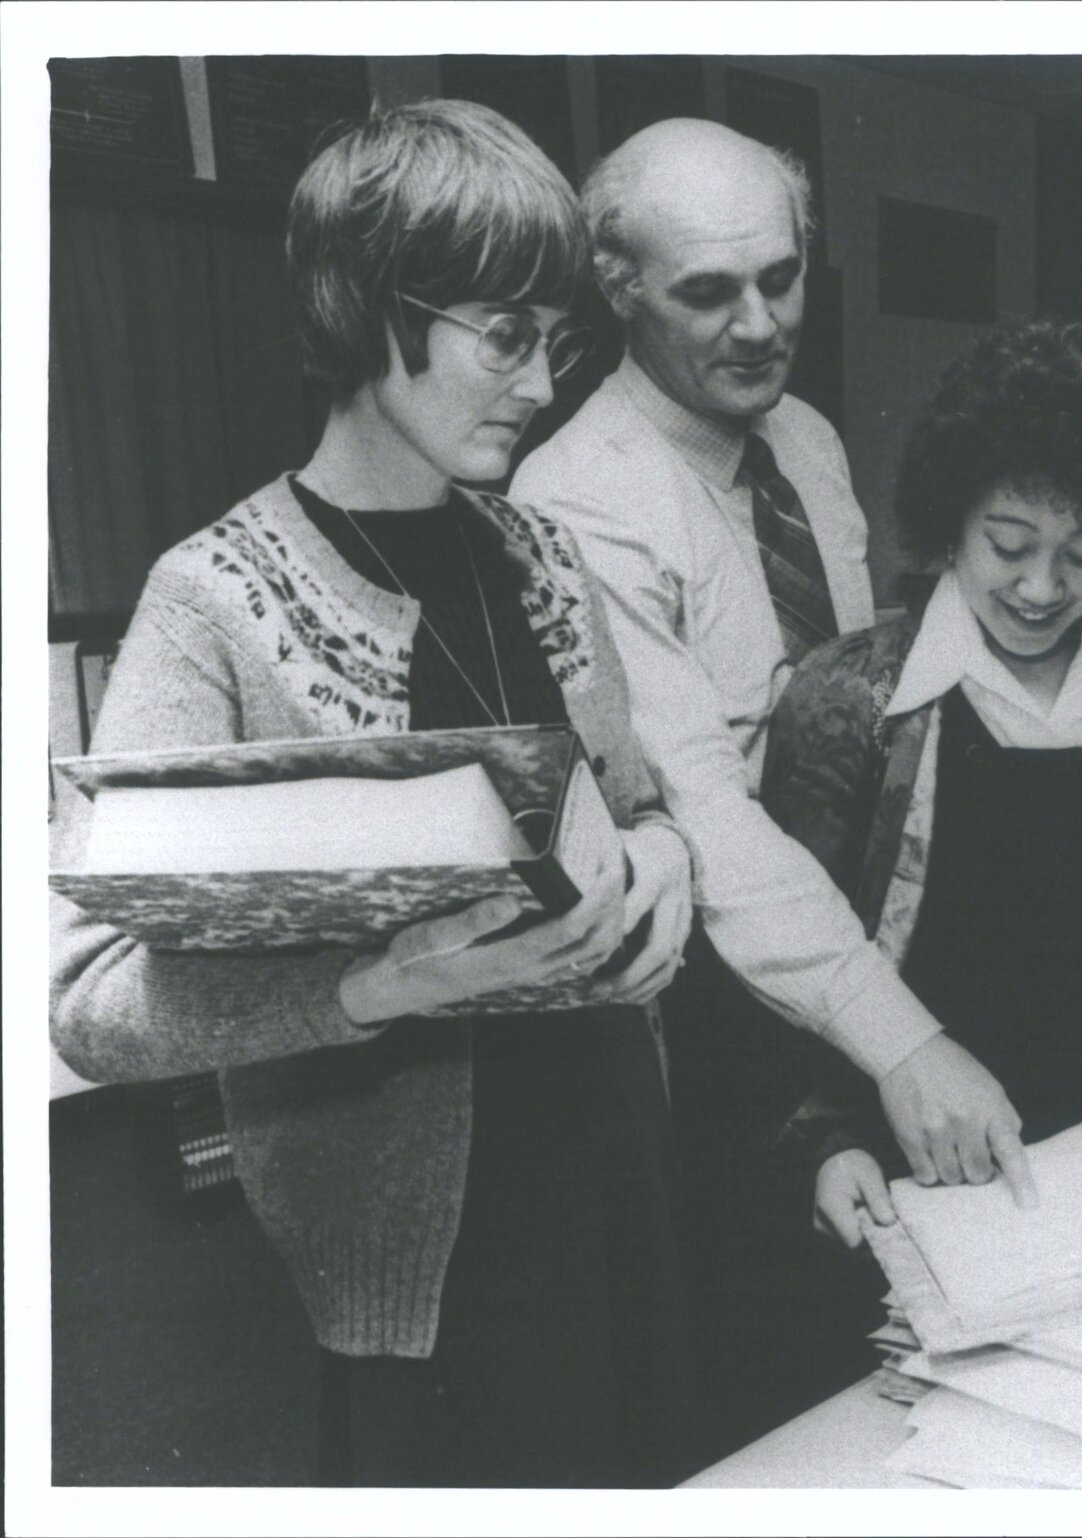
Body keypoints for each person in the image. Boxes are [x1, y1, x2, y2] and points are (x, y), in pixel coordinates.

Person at [49, 101, 697, 1488]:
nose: (540, 380)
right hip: (425, 1265)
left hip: (614, 1173)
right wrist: (375, 984)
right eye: (504, 335)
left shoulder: (539, 554)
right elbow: (88, 1004)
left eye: (556, 339)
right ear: (368, 308)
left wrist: (662, 860)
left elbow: (639, 807)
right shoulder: (211, 598)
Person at [509, 117, 1032, 1458]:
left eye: (781, 278)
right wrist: (904, 1041)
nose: (758, 323)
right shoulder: (576, 501)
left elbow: (855, 714)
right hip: (710, 1023)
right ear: (615, 287)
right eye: (706, 292)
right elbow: (710, 818)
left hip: (852, 981)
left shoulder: (801, 439)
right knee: (768, 1414)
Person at [758, 319, 1082, 1250]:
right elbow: (786, 958)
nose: (1042, 587)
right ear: (950, 523)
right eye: (1008, 545)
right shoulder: (848, 700)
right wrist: (824, 1139)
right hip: (916, 1178)